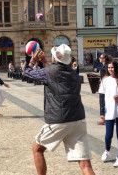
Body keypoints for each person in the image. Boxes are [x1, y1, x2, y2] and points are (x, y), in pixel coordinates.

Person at [24, 44, 95, 175]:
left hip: (59, 119)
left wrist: (33, 61)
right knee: (85, 164)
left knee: (37, 149)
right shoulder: (73, 73)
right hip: (78, 119)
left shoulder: (49, 72)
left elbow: (28, 73)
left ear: (54, 58)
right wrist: (45, 62)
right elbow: (56, 71)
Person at [97, 53, 113, 125]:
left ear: (104, 59)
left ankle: (105, 118)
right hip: (105, 86)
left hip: (105, 87)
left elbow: (106, 77)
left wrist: (102, 81)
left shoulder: (106, 66)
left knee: (103, 101)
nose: (99, 59)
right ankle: (107, 118)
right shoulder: (106, 66)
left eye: (100, 57)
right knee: (105, 101)